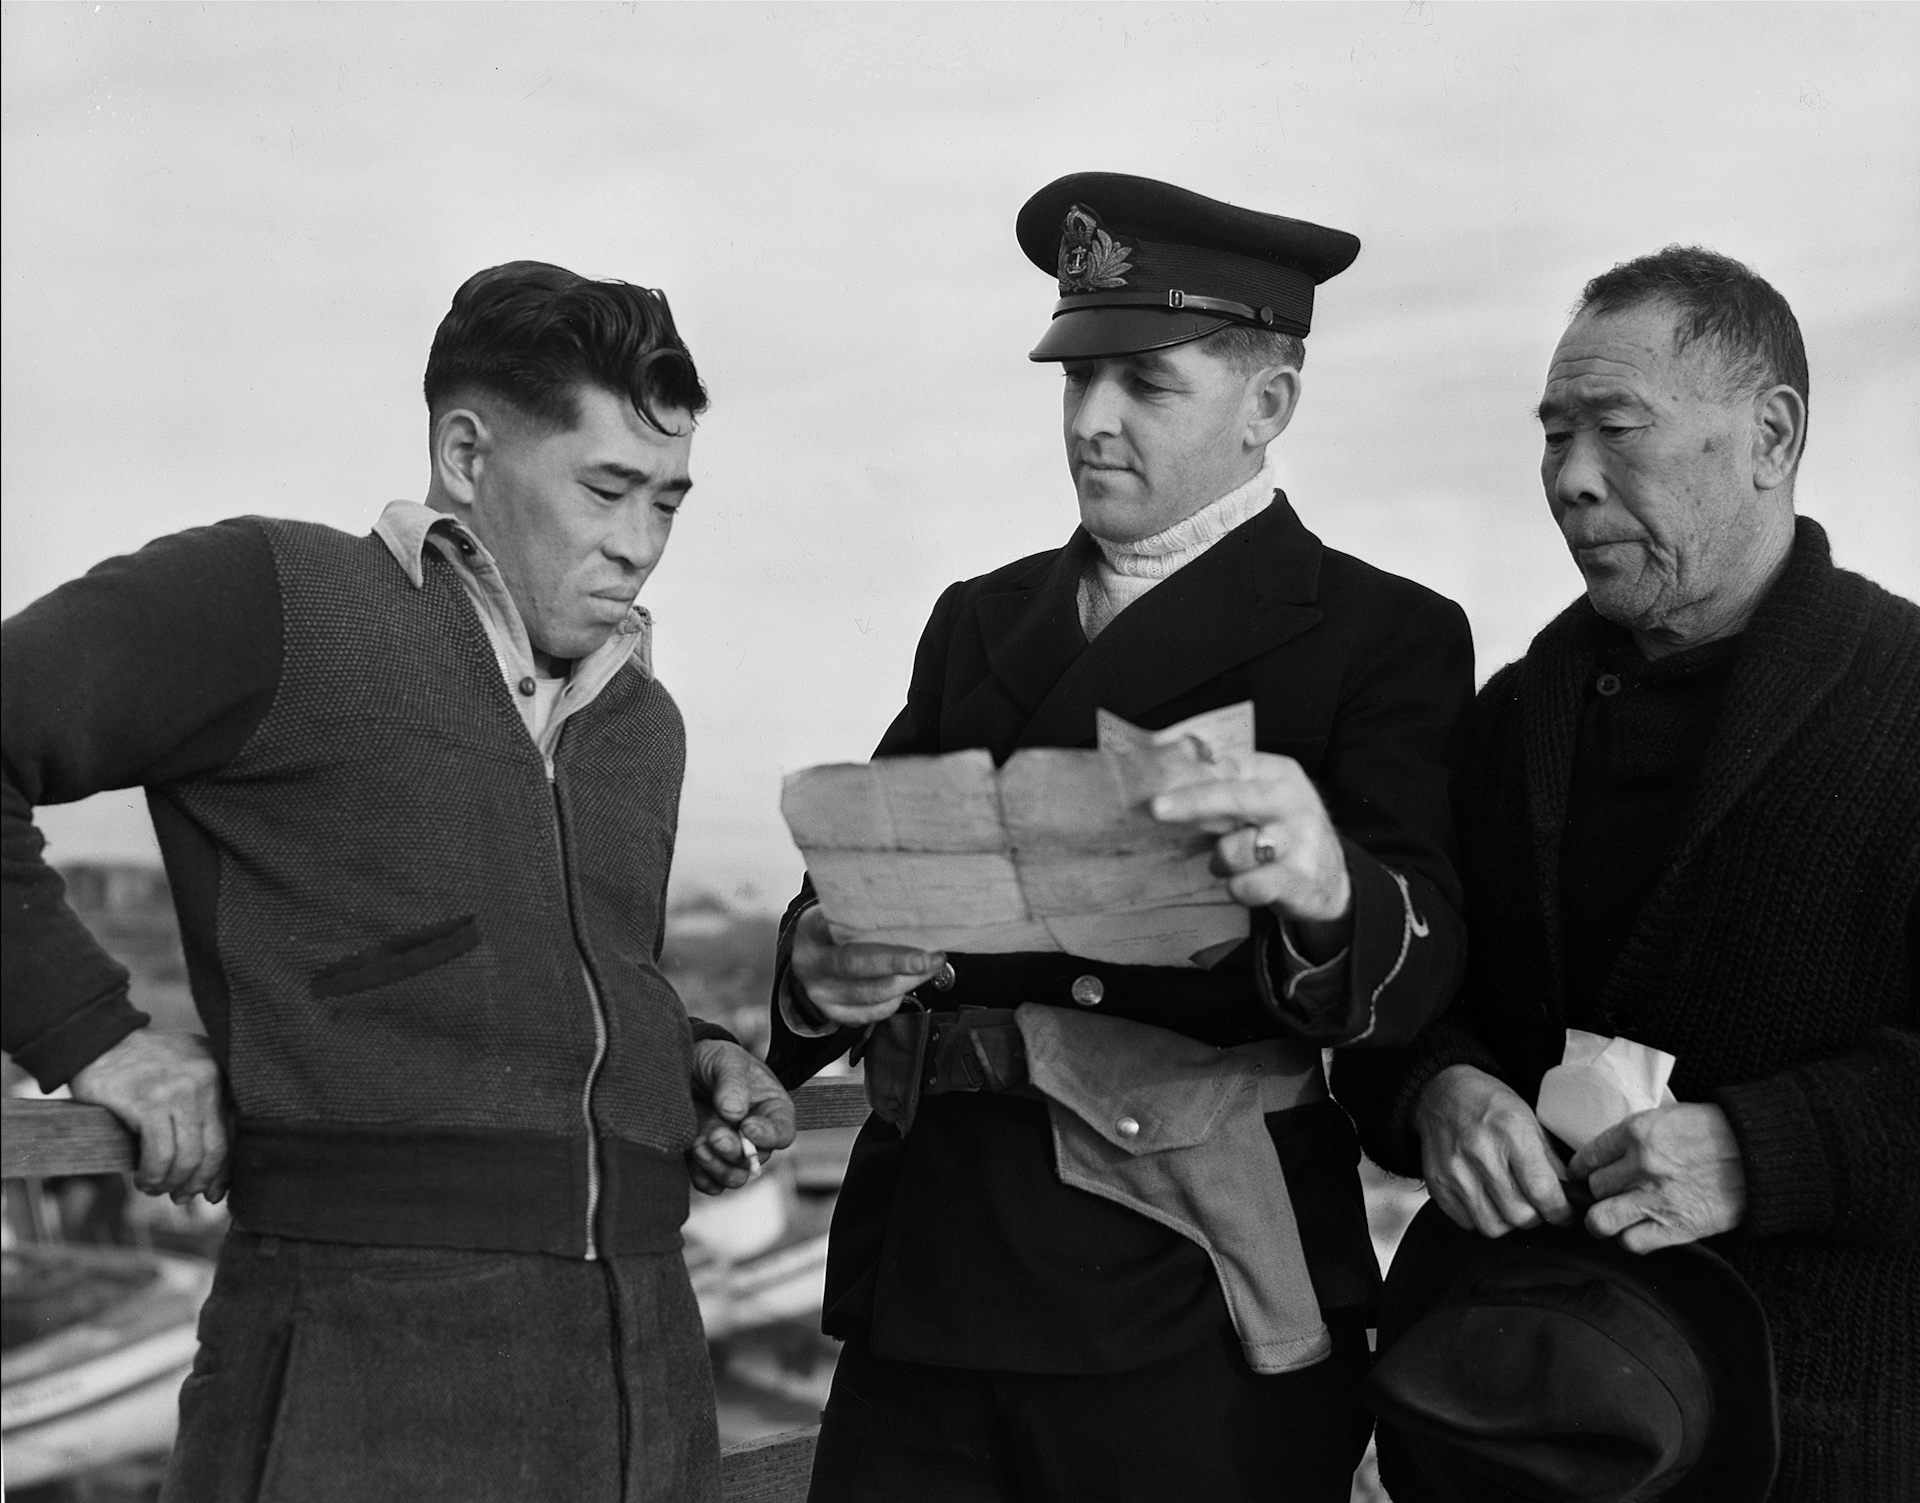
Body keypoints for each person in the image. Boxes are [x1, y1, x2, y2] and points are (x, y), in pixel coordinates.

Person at [0, 261, 796, 1503]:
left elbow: (556, 970)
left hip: (649, 1361)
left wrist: (681, 1052)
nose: (640, 545)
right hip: (356, 1359)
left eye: (670, 501)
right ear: (468, 454)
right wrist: (94, 1037)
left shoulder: (645, 722)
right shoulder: (276, 600)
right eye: (606, 489)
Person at [767, 173, 1474, 1502]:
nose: (1091, 422)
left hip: (1185, 1299)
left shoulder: (1381, 635)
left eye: (1144, 385)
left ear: (1266, 408)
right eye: (1074, 380)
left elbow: (1422, 953)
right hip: (933, 1283)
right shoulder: (978, 618)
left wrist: (1328, 886)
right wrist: (823, 965)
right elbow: (855, 880)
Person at [1336, 246, 1919, 1502]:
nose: (1569, 479)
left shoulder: (1909, 699)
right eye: (1553, 436)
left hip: (1823, 1443)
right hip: (1504, 1425)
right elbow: (1391, 1011)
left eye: (1615, 429)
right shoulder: (1501, 724)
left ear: (1771, 434)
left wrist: (1765, 1151)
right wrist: (1436, 1090)